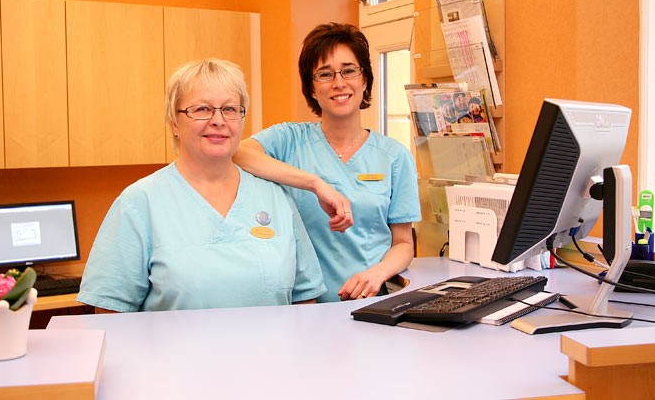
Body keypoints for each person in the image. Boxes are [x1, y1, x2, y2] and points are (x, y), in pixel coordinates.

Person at [77, 59, 326, 312]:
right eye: (202, 109)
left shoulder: (276, 197)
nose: (218, 120)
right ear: (174, 123)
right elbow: (109, 312)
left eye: (230, 109)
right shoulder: (140, 202)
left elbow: (305, 299)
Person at [234, 22, 421, 302]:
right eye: (325, 74)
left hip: (367, 302)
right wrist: (314, 183)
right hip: (300, 303)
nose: (339, 83)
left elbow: (404, 243)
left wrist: (377, 273)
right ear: (311, 88)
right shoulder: (289, 140)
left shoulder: (394, 156)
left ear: (365, 80)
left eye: (349, 70)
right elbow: (237, 152)